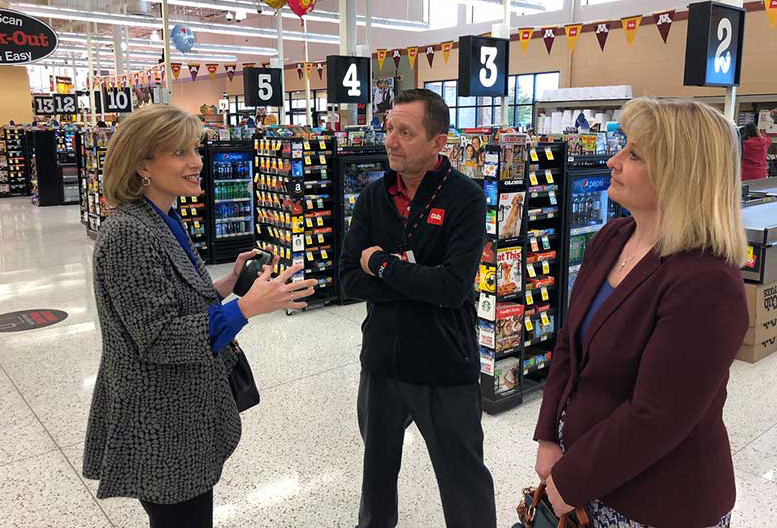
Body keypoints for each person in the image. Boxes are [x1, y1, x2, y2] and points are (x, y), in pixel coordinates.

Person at [82, 105, 316, 528]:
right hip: (159, 420)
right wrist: (247, 307)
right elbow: (159, 337)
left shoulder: (163, 216)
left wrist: (227, 284)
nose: (196, 163)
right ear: (142, 165)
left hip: (182, 411)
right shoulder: (128, 234)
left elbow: (173, 298)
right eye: (180, 153)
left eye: (195, 149)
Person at [533, 98, 748, 528]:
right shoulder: (612, 237)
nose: (612, 160)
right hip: (585, 477)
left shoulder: (706, 282)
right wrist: (547, 437)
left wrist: (569, 480)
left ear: (680, 174)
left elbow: (657, 415)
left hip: (658, 502)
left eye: (633, 154)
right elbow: (567, 345)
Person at [340, 89, 496, 528]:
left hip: (444, 366)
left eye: (405, 132)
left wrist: (383, 264)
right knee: (376, 484)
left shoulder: (464, 198)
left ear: (438, 143)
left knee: (465, 485)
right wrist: (414, 275)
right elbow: (349, 279)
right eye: (389, 128)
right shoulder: (373, 197)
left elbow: (452, 287)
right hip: (381, 365)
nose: (390, 140)